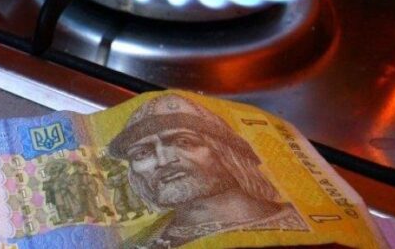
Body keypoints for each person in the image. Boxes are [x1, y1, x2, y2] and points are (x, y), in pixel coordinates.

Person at [107, 94, 307, 248]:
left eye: (184, 142)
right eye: (142, 153)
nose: (163, 161)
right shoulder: (139, 241)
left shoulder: (299, 224)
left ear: (227, 152)